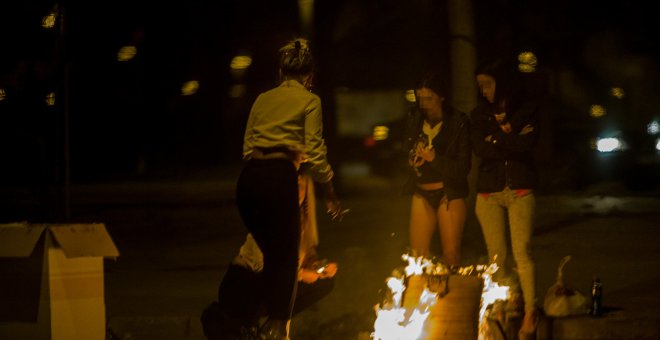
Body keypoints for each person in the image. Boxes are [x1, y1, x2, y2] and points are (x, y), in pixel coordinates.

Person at [234, 37, 344, 340]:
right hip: (278, 178)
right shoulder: (311, 100)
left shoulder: (262, 99)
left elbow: (247, 147)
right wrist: (329, 191)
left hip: (249, 181)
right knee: (284, 260)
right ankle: (278, 328)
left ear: (281, 74)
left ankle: (254, 324)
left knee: (272, 256)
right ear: (309, 77)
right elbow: (316, 150)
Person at [469, 57, 540, 340]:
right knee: (497, 258)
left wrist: (495, 139)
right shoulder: (478, 115)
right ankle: (502, 308)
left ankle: (530, 314)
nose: (484, 90)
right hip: (488, 193)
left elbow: (527, 145)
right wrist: (507, 138)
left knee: (522, 251)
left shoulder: (527, 110)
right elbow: (480, 150)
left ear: (502, 83)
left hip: (520, 189)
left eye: (487, 84)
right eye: (480, 85)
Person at [402, 73, 472, 267]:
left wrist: (434, 159)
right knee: (417, 257)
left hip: (448, 192)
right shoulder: (414, 117)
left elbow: (462, 167)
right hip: (422, 190)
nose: (424, 104)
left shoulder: (458, 122)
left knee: (450, 255)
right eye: (420, 98)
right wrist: (412, 159)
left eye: (429, 98)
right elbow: (405, 148)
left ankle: (451, 294)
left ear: (441, 97)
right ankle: (420, 295)